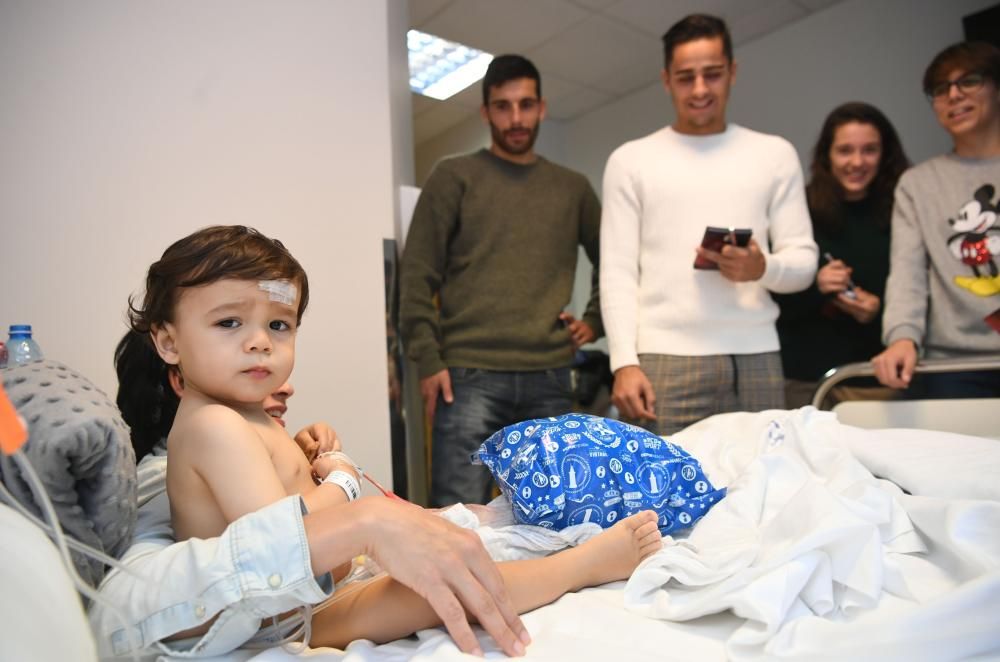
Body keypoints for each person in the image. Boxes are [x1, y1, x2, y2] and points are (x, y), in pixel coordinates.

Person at [103, 224, 662, 655]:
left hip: (328, 590)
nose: (260, 343)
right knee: (444, 590)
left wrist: (301, 452)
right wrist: (342, 480)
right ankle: (583, 567)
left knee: (451, 542)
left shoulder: (236, 415)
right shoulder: (211, 424)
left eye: (279, 324)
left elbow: (256, 491)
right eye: (229, 323)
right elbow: (286, 538)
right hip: (301, 617)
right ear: (169, 342)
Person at [400, 54, 604, 507]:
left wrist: (595, 319)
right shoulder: (453, 177)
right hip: (468, 376)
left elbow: (616, 260)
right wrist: (428, 361)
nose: (516, 118)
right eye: (503, 106)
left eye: (526, 105)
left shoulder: (573, 188)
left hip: (551, 376)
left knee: (559, 516)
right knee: (459, 517)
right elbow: (416, 274)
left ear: (542, 108)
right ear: (486, 111)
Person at [600, 14, 817, 436]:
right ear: (666, 80)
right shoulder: (630, 160)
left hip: (756, 356)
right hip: (662, 358)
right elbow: (617, 272)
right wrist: (624, 361)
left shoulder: (774, 154)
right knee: (659, 498)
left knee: (764, 489)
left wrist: (762, 268)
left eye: (712, 74)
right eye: (686, 77)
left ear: (732, 73)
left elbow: (804, 262)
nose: (700, 89)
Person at [873, 41, 1000, 397]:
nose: (954, 96)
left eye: (969, 81)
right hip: (952, 364)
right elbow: (907, 273)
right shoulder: (918, 184)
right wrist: (901, 337)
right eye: (941, 89)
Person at [775, 103, 910, 408]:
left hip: (881, 379)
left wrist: (878, 311)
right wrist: (816, 288)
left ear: (885, 155)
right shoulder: (799, 210)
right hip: (805, 380)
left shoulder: (904, 211)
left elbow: (917, 294)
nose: (857, 162)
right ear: (827, 155)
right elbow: (772, 301)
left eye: (870, 150)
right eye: (845, 150)